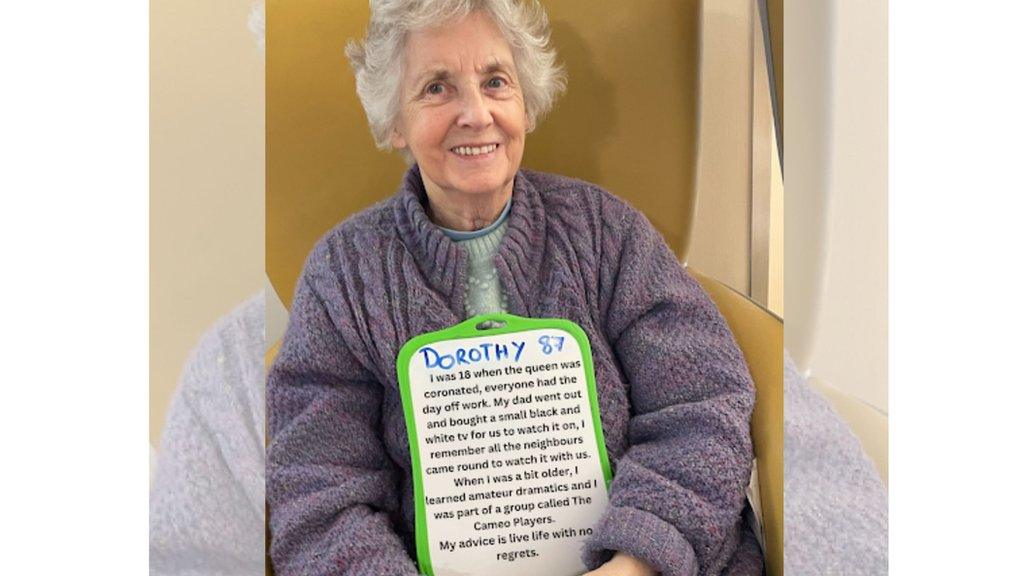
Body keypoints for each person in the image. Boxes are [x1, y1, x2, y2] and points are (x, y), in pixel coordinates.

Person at [267, 1, 762, 574]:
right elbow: (317, 490)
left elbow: (704, 407)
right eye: (436, 88)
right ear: (394, 120)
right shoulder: (343, 275)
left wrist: (636, 562)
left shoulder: (608, 232)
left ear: (525, 103)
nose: (475, 114)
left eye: (496, 81)